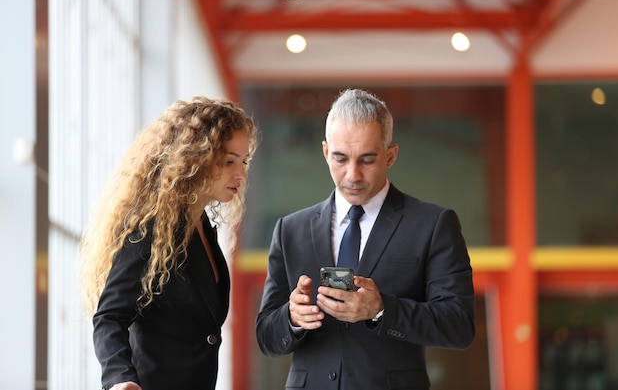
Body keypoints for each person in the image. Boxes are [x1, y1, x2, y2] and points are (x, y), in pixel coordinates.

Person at [256, 88, 475, 389]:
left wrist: (382, 309)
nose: (352, 175)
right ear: (325, 153)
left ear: (391, 155)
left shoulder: (433, 225)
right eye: (340, 159)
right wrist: (292, 317)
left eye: (367, 160)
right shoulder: (290, 230)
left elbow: (458, 325)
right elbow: (267, 337)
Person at [81, 96, 257, 390]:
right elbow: (110, 316)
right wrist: (119, 378)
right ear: (195, 158)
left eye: (244, 161)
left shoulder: (202, 228)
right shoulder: (151, 228)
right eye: (229, 161)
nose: (240, 173)